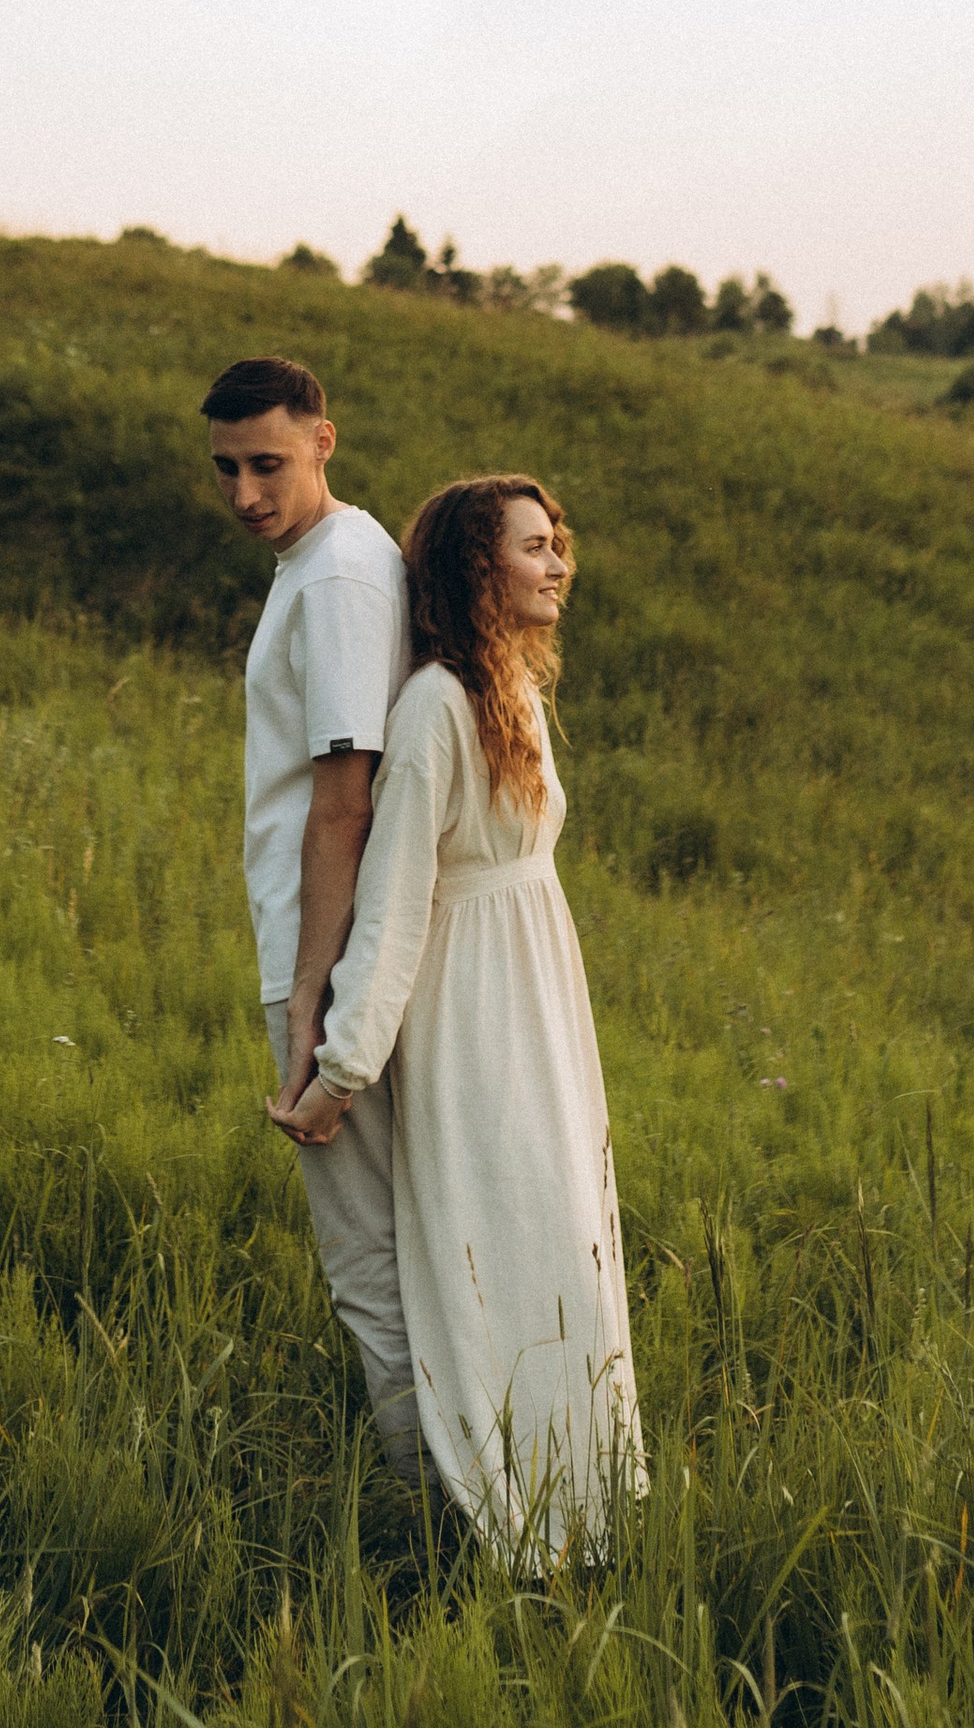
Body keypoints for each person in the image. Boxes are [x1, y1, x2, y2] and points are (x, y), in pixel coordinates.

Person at [280, 473, 645, 1553]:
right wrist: (341, 1069)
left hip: (538, 995)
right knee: (510, 1240)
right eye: (535, 546)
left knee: (567, 1232)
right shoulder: (438, 704)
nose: (558, 562)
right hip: (474, 1012)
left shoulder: (512, 690)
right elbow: (392, 901)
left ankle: (589, 1507)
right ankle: (507, 1520)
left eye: (559, 542)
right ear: (476, 568)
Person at [205, 352, 426, 1487]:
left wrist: (310, 994)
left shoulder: (339, 573)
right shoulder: (323, 556)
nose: (247, 494)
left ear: (323, 443)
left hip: (327, 953)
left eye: (270, 465)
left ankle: (425, 1514)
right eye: (228, 469)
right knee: (394, 1246)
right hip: (337, 948)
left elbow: (345, 797)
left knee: (366, 1262)